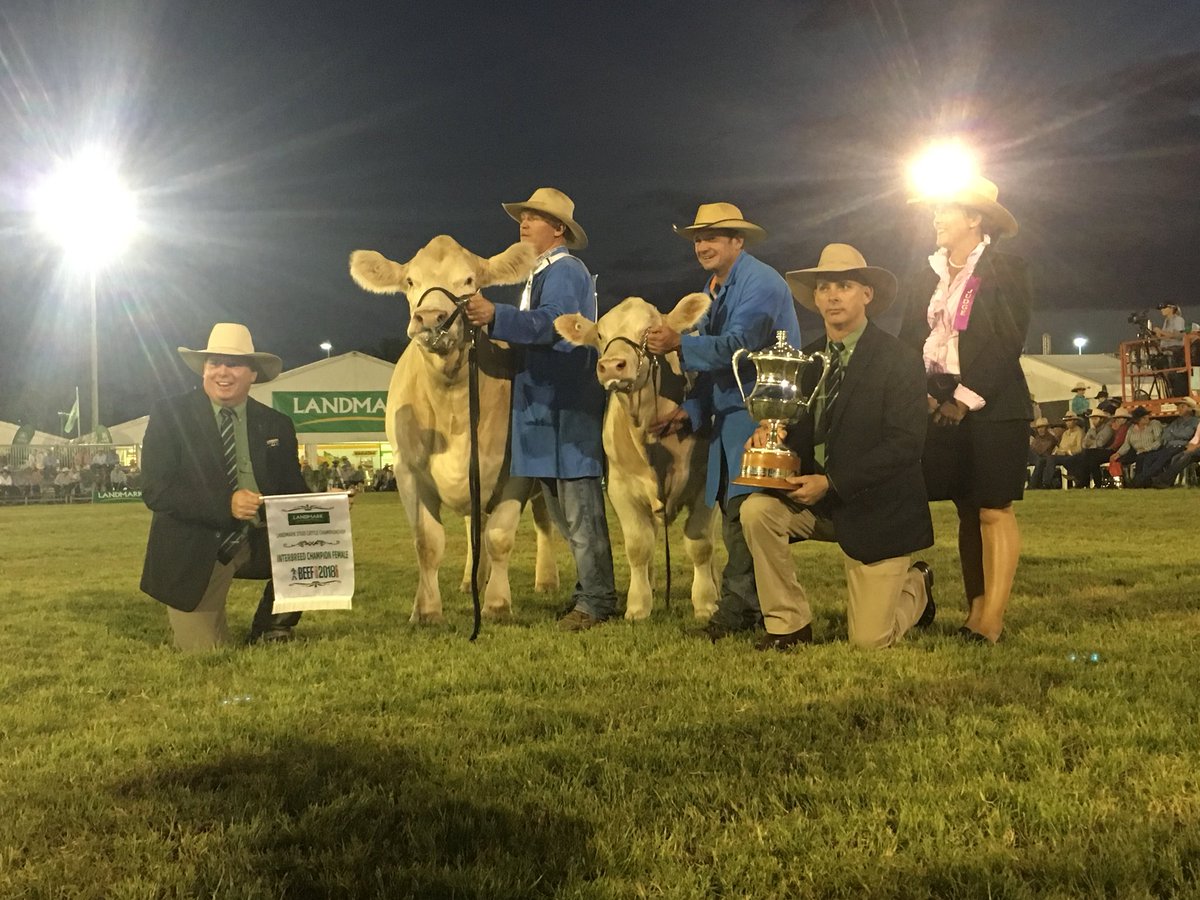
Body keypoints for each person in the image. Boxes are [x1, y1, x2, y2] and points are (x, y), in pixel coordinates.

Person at [740, 244, 934, 650]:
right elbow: (795, 429)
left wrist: (832, 482)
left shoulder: (899, 359)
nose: (832, 296)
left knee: (869, 642)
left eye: (844, 286)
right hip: (816, 505)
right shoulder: (804, 360)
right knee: (757, 511)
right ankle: (788, 625)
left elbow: (906, 444)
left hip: (877, 510)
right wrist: (771, 436)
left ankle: (918, 583)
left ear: (867, 294)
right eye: (824, 287)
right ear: (814, 298)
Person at [643, 202, 802, 639]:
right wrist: (690, 411)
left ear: (738, 240)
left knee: (747, 515)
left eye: (712, 237)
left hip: (760, 419)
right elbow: (720, 371)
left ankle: (744, 610)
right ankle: (747, 607)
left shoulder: (760, 282)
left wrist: (678, 343)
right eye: (698, 239)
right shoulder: (717, 287)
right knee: (736, 516)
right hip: (733, 418)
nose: (702, 246)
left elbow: (739, 346)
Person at [465, 187, 617, 631]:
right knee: (568, 518)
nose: (524, 223)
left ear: (559, 229)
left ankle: (597, 601)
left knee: (580, 514)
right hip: (550, 410)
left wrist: (496, 316)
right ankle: (589, 593)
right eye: (523, 217)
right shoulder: (542, 272)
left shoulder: (565, 270)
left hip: (565, 408)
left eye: (535, 217)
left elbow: (553, 324)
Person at [898, 174, 1031, 644]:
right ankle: (975, 609)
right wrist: (919, 391)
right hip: (938, 401)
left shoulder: (1006, 268)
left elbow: (1008, 340)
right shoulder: (926, 275)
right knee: (966, 509)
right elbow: (910, 340)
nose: (936, 217)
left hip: (993, 404)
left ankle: (991, 619)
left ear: (975, 218)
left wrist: (964, 397)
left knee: (994, 507)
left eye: (945, 209)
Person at [140, 323, 309, 651]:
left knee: (312, 543)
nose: (222, 372)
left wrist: (327, 505)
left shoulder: (276, 423)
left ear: (253, 374)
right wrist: (225, 504)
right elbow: (156, 489)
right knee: (207, 653)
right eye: (214, 363)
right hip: (197, 546)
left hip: (257, 539)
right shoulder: (170, 415)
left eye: (233, 364)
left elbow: (293, 490)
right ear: (203, 370)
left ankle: (273, 627)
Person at [1153, 303, 1188, 397]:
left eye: (1164, 308)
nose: (1162, 310)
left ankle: (1176, 393)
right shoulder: (1166, 321)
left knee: (1173, 374)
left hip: (1175, 351)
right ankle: (1171, 392)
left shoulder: (1178, 320)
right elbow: (1166, 336)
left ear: (1171, 308)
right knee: (1166, 373)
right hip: (1166, 350)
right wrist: (1158, 335)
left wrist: (1160, 331)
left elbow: (1178, 336)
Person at [1027, 418, 1059, 489]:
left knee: (1040, 461)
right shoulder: (1037, 438)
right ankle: (1033, 485)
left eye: (1042, 427)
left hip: (1044, 458)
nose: (1040, 429)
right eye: (1038, 428)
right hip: (1034, 457)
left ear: (1046, 428)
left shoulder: (1051, 438)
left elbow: (1042, 450)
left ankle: (1032, 485)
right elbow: (1033, 449)